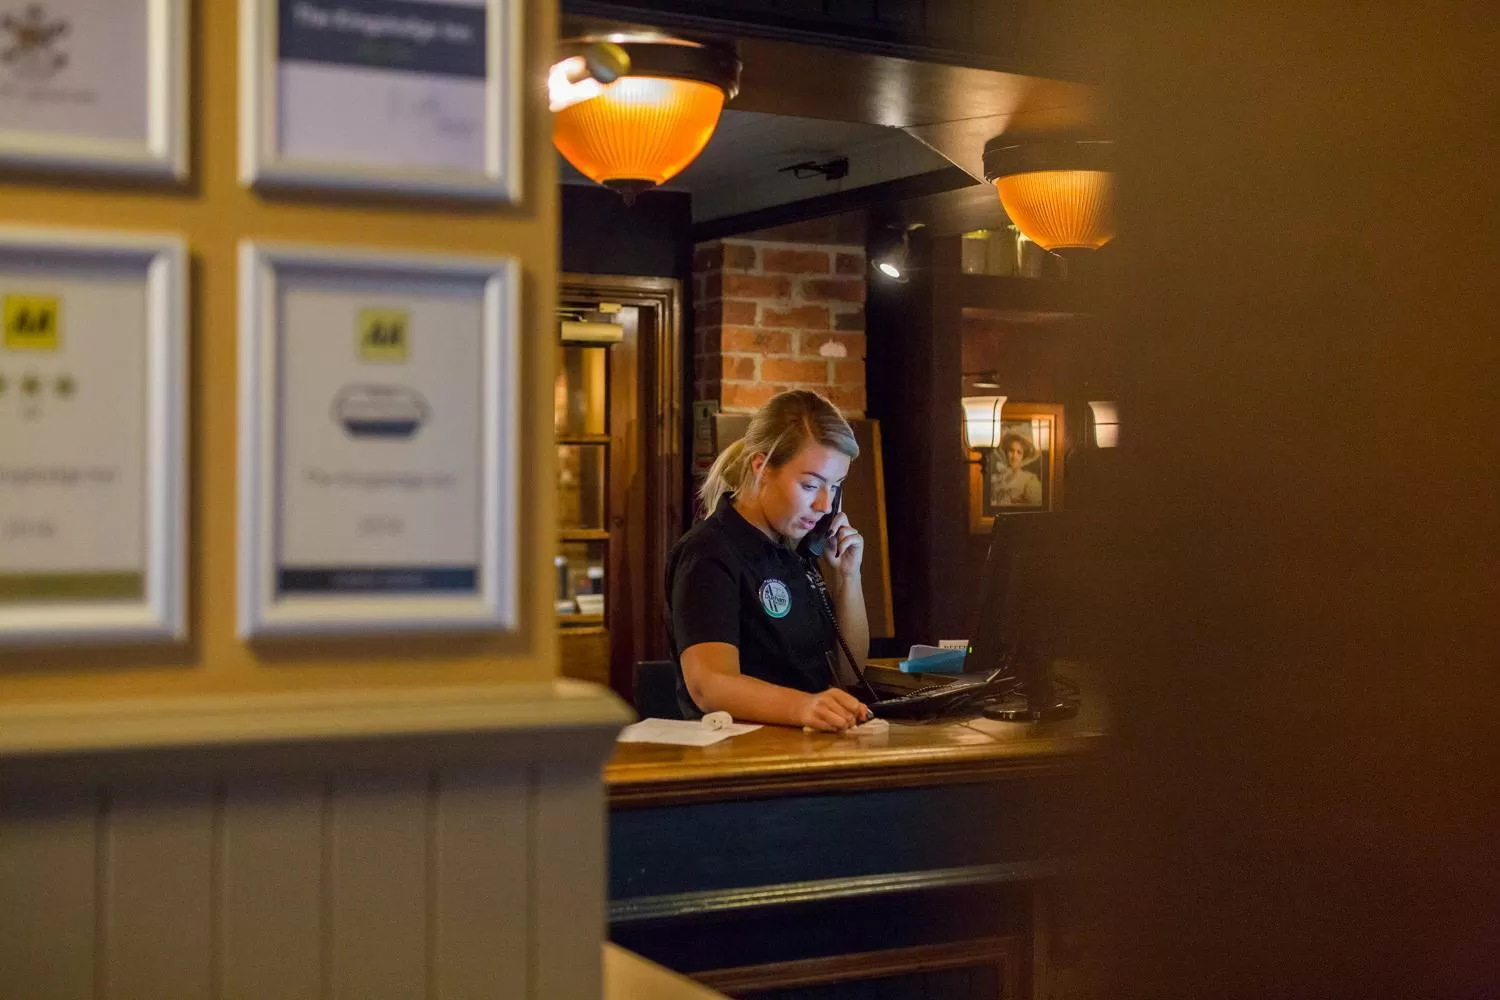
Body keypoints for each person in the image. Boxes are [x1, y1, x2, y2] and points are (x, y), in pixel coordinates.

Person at [666, 390, 871, 732]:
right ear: (761, 468)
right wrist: (804, 707)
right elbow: (708, 685)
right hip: (740, 759)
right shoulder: (708, 551)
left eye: (835, 487)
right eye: (810, 485)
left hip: (810, 748)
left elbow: (849, 673)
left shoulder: (795, 550)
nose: (824, 504)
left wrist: (849, 578)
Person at [991, 431, 1043, 507]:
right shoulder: (996, 478)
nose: (1014, 456)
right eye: (1011, 451)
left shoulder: (1029, 479)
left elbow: (1035, 508)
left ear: (1023, 456)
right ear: (1006, 452)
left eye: (1019, 452)